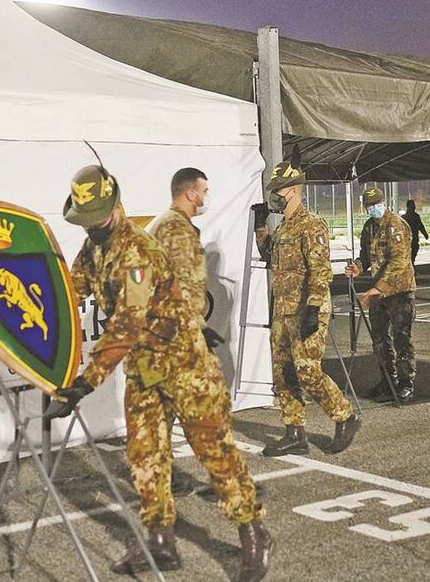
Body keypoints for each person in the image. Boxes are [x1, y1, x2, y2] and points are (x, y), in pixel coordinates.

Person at [46, 165, 272, 581]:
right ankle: (159, 541)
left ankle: (253, 532)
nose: (92, 226)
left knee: (215, 455)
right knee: (145, 457)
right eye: (86, 220)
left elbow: (126, 326)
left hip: (186, 367)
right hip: (145, 372)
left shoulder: (137, 252)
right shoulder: (94, 248)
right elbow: (69, 293)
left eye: (97, 217)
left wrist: (83, 382)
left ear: (115, 207)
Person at [254, 154, 360, 457]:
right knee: (283, 373)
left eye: (277, 190)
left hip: (306, 310)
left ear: (291, 190)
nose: (273, 196)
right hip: (283, 310)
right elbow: (268, 255)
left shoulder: (311, 225)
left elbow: (321, 269)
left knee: (308, 372)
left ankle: (345, 417)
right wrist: (260, 226)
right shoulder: (284, 229)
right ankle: (295, 433)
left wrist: (314, 308)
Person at [146, 167, 223, 496]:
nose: (205, 197)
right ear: (190, 192)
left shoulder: (168, 225)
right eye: (204, 191)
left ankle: (160, 477)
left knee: (165, 409)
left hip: (166, 332)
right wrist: (198, 329)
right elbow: (180, 288)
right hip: (175, 335)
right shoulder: (176, 229)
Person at [345, 187, 419, 401]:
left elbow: (399, 263)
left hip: (400, 291)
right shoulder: (369, 228)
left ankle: (406, 382)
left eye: (376, 204)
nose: (373, 208)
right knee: (379, 338)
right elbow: (366, 257)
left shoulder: (396, 225)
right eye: (369, 206)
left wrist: (376, 289)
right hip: (379, 292)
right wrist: (358, 267)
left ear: (383, 202)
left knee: (401, 337)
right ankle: (387, 380)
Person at [402, 199, 429, 265]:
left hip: (413, 238)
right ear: (408, 207)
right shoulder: (404, 218)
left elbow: (420, 226)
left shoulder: (415, 216)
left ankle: (411, 265)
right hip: (407, 239)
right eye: (412, 206)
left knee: (413, 253)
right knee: (409, 254)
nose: (413, 208)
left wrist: (425, 233)